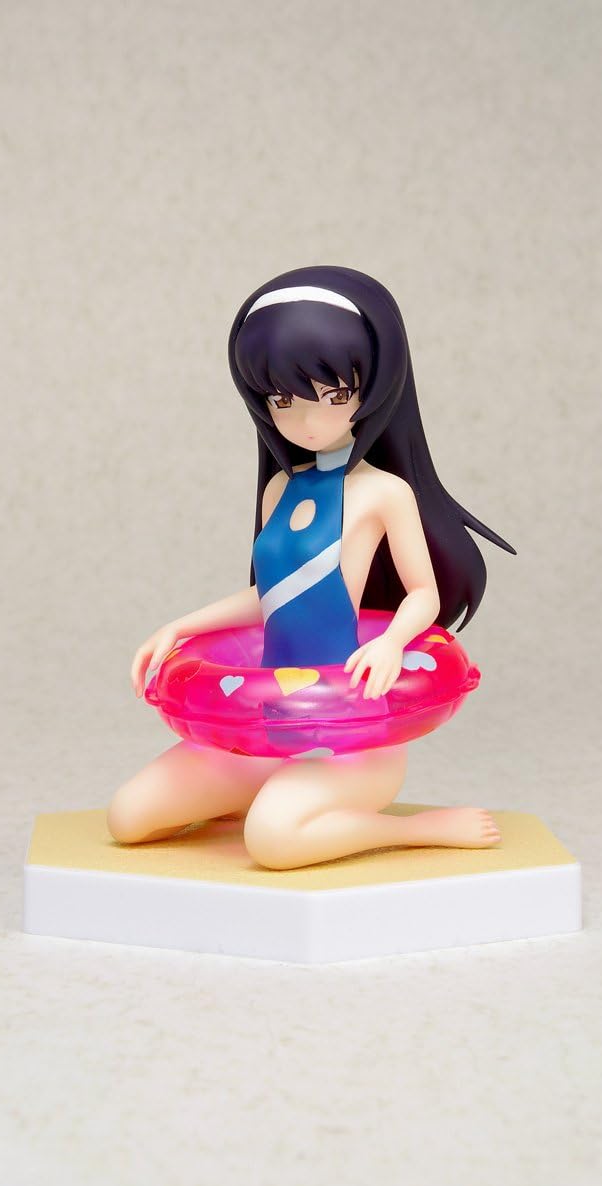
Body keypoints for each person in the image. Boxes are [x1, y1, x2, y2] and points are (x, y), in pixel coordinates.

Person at [108, 266, 515, 869]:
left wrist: (392, 643)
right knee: (128, 817)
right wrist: (180, 626)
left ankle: (414, 829)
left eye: (334, 396)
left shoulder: (383, 493)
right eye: (282, 400)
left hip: (351, 733)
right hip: (266, 724)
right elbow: (269, 598)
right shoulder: (279, 489)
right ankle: (254, 796)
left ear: (372, 389)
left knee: (273, 842)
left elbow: (423, 594)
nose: (305, 421)